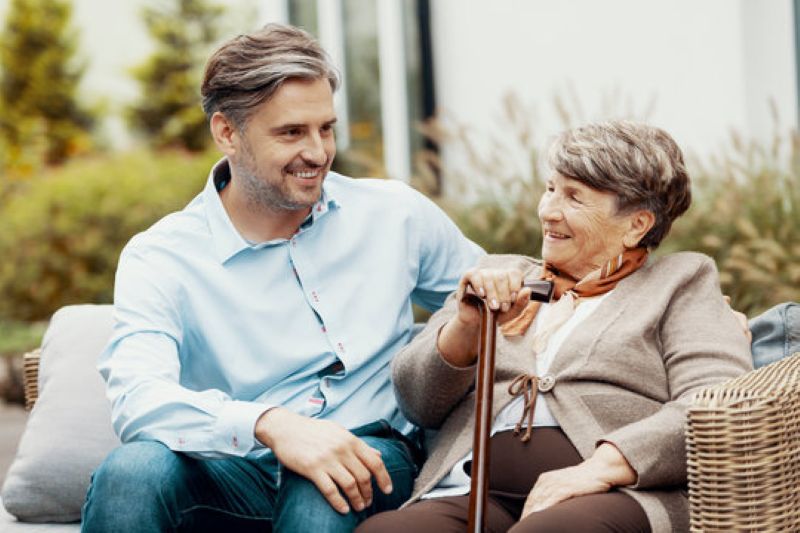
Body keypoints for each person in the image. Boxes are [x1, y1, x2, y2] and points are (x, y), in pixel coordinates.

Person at [81, 23, 483, 533]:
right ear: (227, 133)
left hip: (371, 451)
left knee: (325, 487)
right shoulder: (161, 256)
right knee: (131, 472)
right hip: (234, 469)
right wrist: (270, 425)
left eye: (326, 128)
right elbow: (140, 397)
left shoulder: (395, 215)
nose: (317, 152)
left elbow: (490, 290)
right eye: (291, 132)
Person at [357, 120, 753, 533]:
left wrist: (599, 469)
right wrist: (467, 328)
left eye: (574, 198)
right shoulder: (496, 275)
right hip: (474, 494)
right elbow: (417, 403)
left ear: (637, 224)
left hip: (611, 497)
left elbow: (714, 404)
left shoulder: (679, 283)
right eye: (550, 189)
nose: (548, 211)